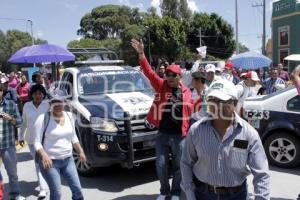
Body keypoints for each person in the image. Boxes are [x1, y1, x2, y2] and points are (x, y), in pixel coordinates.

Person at [181, 79, 270, 200]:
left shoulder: (249, 133)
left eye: (222, 101)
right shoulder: (196, 130)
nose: (217, 106)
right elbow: (186, 162)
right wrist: (190, 194)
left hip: (237, 195)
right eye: (212, 100)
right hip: (203, 194)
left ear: (235, 102)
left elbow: (261, 173)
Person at [131, 38, 192, 200]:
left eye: (173, 75)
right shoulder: (161, 85)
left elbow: (191, 111)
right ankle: (164, 191)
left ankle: (176, 192)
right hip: (163, 134)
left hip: (180, 136)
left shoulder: (187, 92)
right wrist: (141, 53)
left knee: (178, 166)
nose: (169, 77)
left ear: (180, 76)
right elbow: (149, 72)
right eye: (167, 74)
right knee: (161, 165)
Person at [33, 90, 86, 200]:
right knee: (57, 193)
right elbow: (36, 142)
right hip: (50, 162)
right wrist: (44, 155)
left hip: (68, 160)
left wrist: (80, 151)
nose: (57, 105)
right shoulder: (42, 119)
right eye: (54, 102)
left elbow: (73, 137)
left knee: (78, 190)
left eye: (60, 102)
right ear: (50, 104)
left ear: (64, 102)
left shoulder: (70, 116)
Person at [19, 84, 49, 199]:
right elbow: (23, 123)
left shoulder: (48, 104)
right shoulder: (27, 106)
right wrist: (20, 137)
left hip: (46, 139)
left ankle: (46, 183)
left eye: (40, 93)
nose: (38, 95)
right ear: (31, 94)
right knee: (38, 164)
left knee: (46, 163)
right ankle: (43, 188)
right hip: (32, 141)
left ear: (43, 95)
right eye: (35, 93)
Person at [0, 83, 25, 200]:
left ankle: (15, 194)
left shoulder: (10, 104)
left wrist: (10, 118)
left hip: (8, 144)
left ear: (2, 92)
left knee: (12, 173)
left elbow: (19, 123)